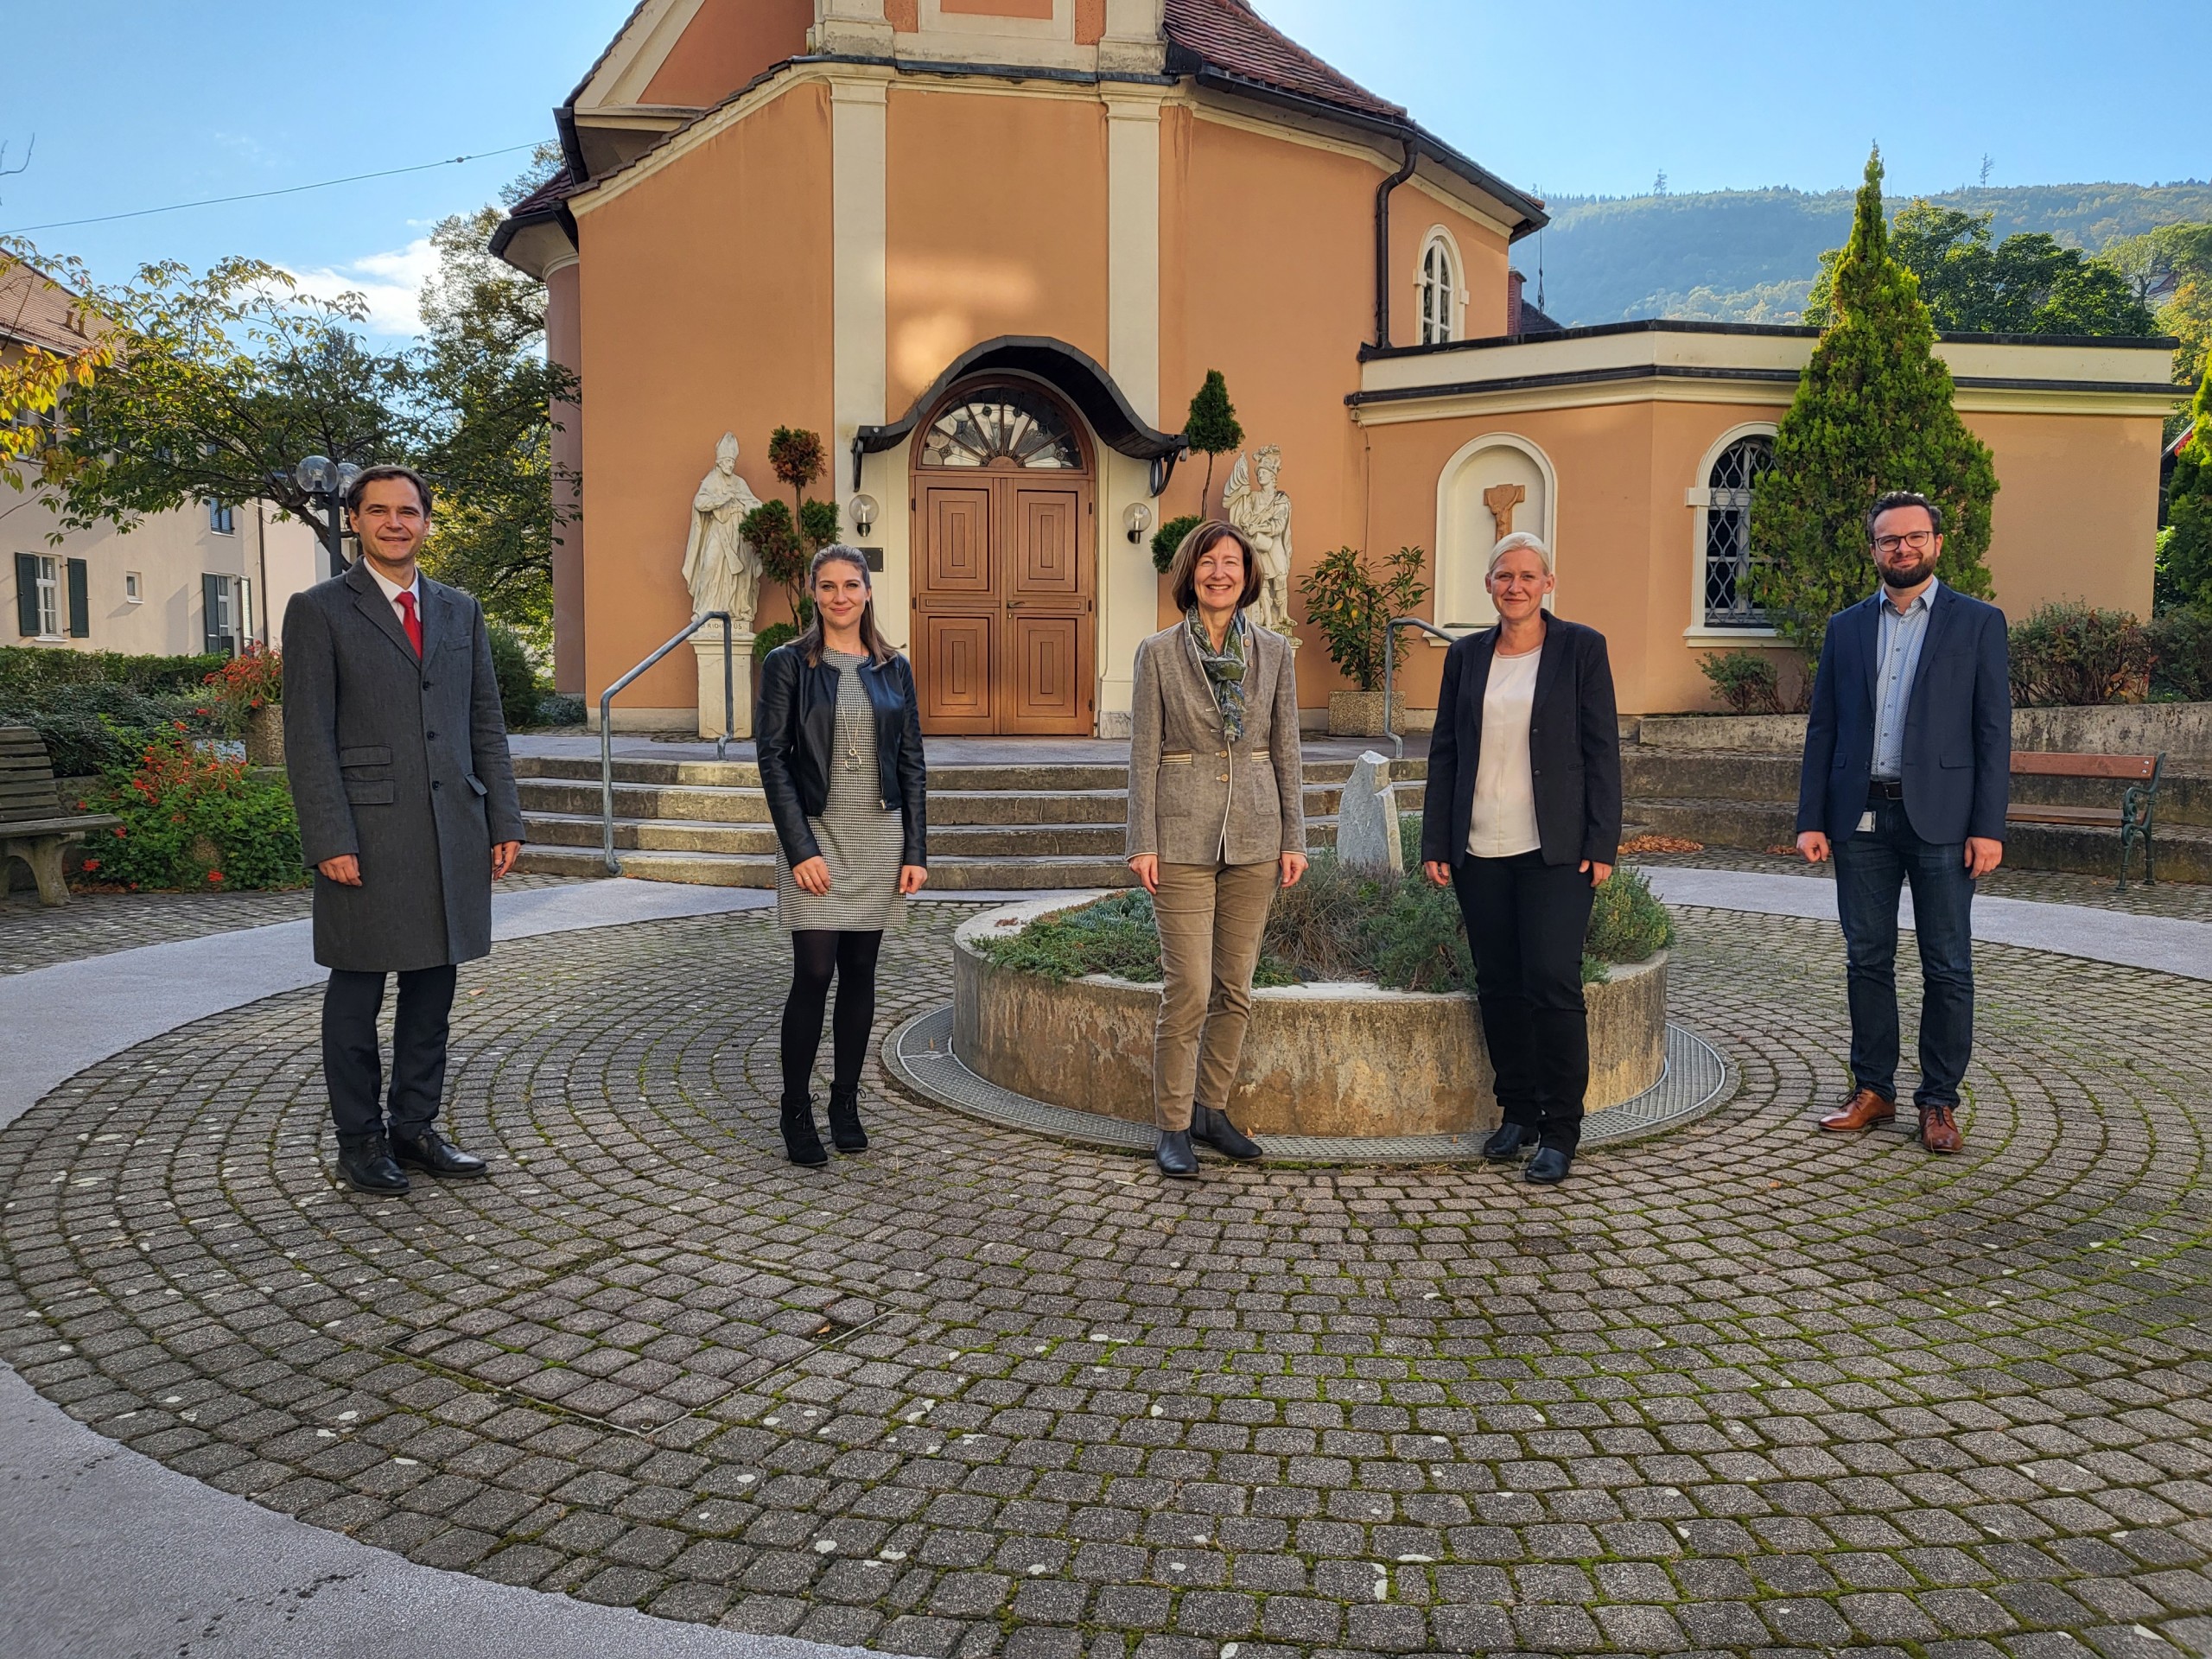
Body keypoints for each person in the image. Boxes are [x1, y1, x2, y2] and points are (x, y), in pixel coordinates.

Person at [283, 465, 525, 1195]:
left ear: (426, 522)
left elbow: (486, 719)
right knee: (357, 996)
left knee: (432, 993)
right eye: (379, 510)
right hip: (365, 833)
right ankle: (359, 1142)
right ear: (354, 519)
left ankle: (413, 1127)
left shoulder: (461, 611)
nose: (395, 523)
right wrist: (330, 836)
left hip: (451, 827)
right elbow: (308, 735)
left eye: (409, 511)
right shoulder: (319, 609)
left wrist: (502, 815)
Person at [1796, 490, 2009, 1155]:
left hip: (1944, 820)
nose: (1903, 549)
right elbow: (1824, 728)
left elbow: (1991, 731)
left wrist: (1988, 826)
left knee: (1947, 966)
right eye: (1891, 540)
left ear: (1936, 545)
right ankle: (1874, 1090)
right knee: (1867, 959)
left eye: (1915, 538)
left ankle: (1938, 1102)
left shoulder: (1978, 623)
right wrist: (1811, 818)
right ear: (1874, 550)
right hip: (1861, 816)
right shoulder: (1847, 627)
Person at [1421, 531, 1621, 1185]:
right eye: (1504, 576)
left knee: (1553, 984)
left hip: (1555, 851)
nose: (1515, 586)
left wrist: (1601, 842)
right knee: (1500, 985)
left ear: (1548, 583)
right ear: (1488, 585)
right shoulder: (1467, 655)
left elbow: (1601, 752)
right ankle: (1518, 1111)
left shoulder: (1581, 649)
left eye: (1528, 576)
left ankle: (1561, 1128)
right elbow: (1446, 749)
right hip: (1480, 848)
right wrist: (1436, 842)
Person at [1127, 520, 1308, 1179]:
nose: (1220, 573)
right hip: (1180, 833)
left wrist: (1296, 836)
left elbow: (1286, 748)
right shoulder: (1157, 653)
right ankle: (1173, 1124)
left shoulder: (1276, 653)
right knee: (1190, 988)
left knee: (1236, 987)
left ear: (1247, 574)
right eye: (1208, 562)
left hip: (1257, 834)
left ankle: (1211, 1108)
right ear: (1190, 573)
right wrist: (1141, 840)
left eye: (1231, 562)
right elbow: (1143, 752)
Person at [757, 545, 928, 1166]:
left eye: (850, 584)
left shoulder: (892, 668)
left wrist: (915, 848)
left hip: (879, 837)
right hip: (816, 835)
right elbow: (772, 761)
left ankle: (846, 1101)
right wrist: (798, 847)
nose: (840, 596)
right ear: (813, 593)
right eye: (827, 586)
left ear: (867, 591)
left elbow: (912, 762)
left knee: (861, 972)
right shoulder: (788, 664)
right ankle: (794, 1107)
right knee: (814, 971)